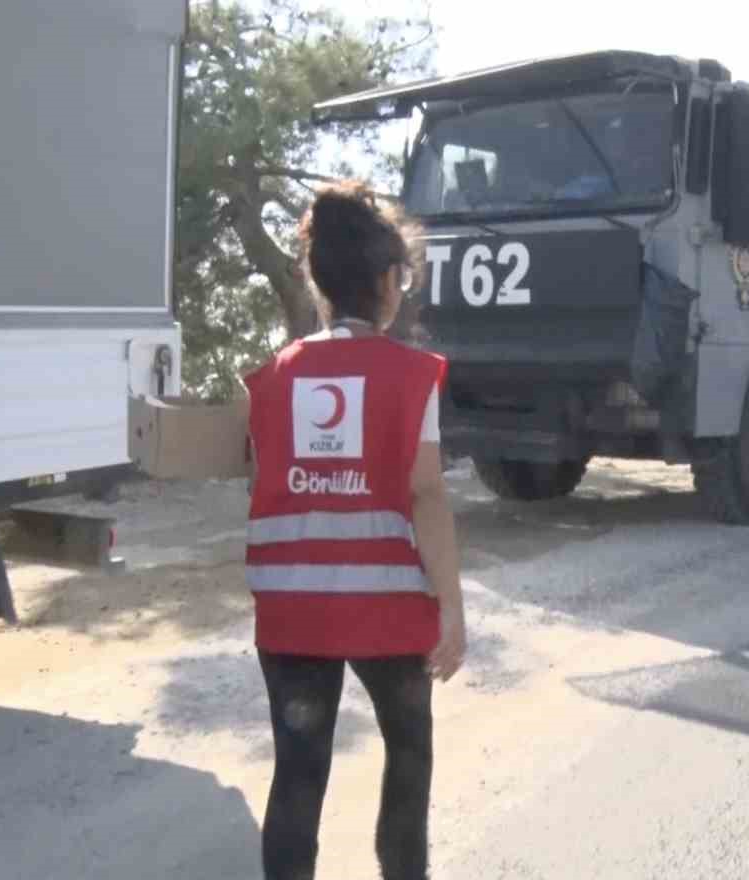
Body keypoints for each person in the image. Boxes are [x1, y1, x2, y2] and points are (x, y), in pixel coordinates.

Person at [243, 181, 467, 880]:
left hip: (291, 614)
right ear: (386, 282)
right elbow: (425, 495)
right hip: (388, 612)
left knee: (298, 776)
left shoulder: (274, 376)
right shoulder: (409, 376)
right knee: (407, 756)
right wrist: (452, 610)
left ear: (319, 283)